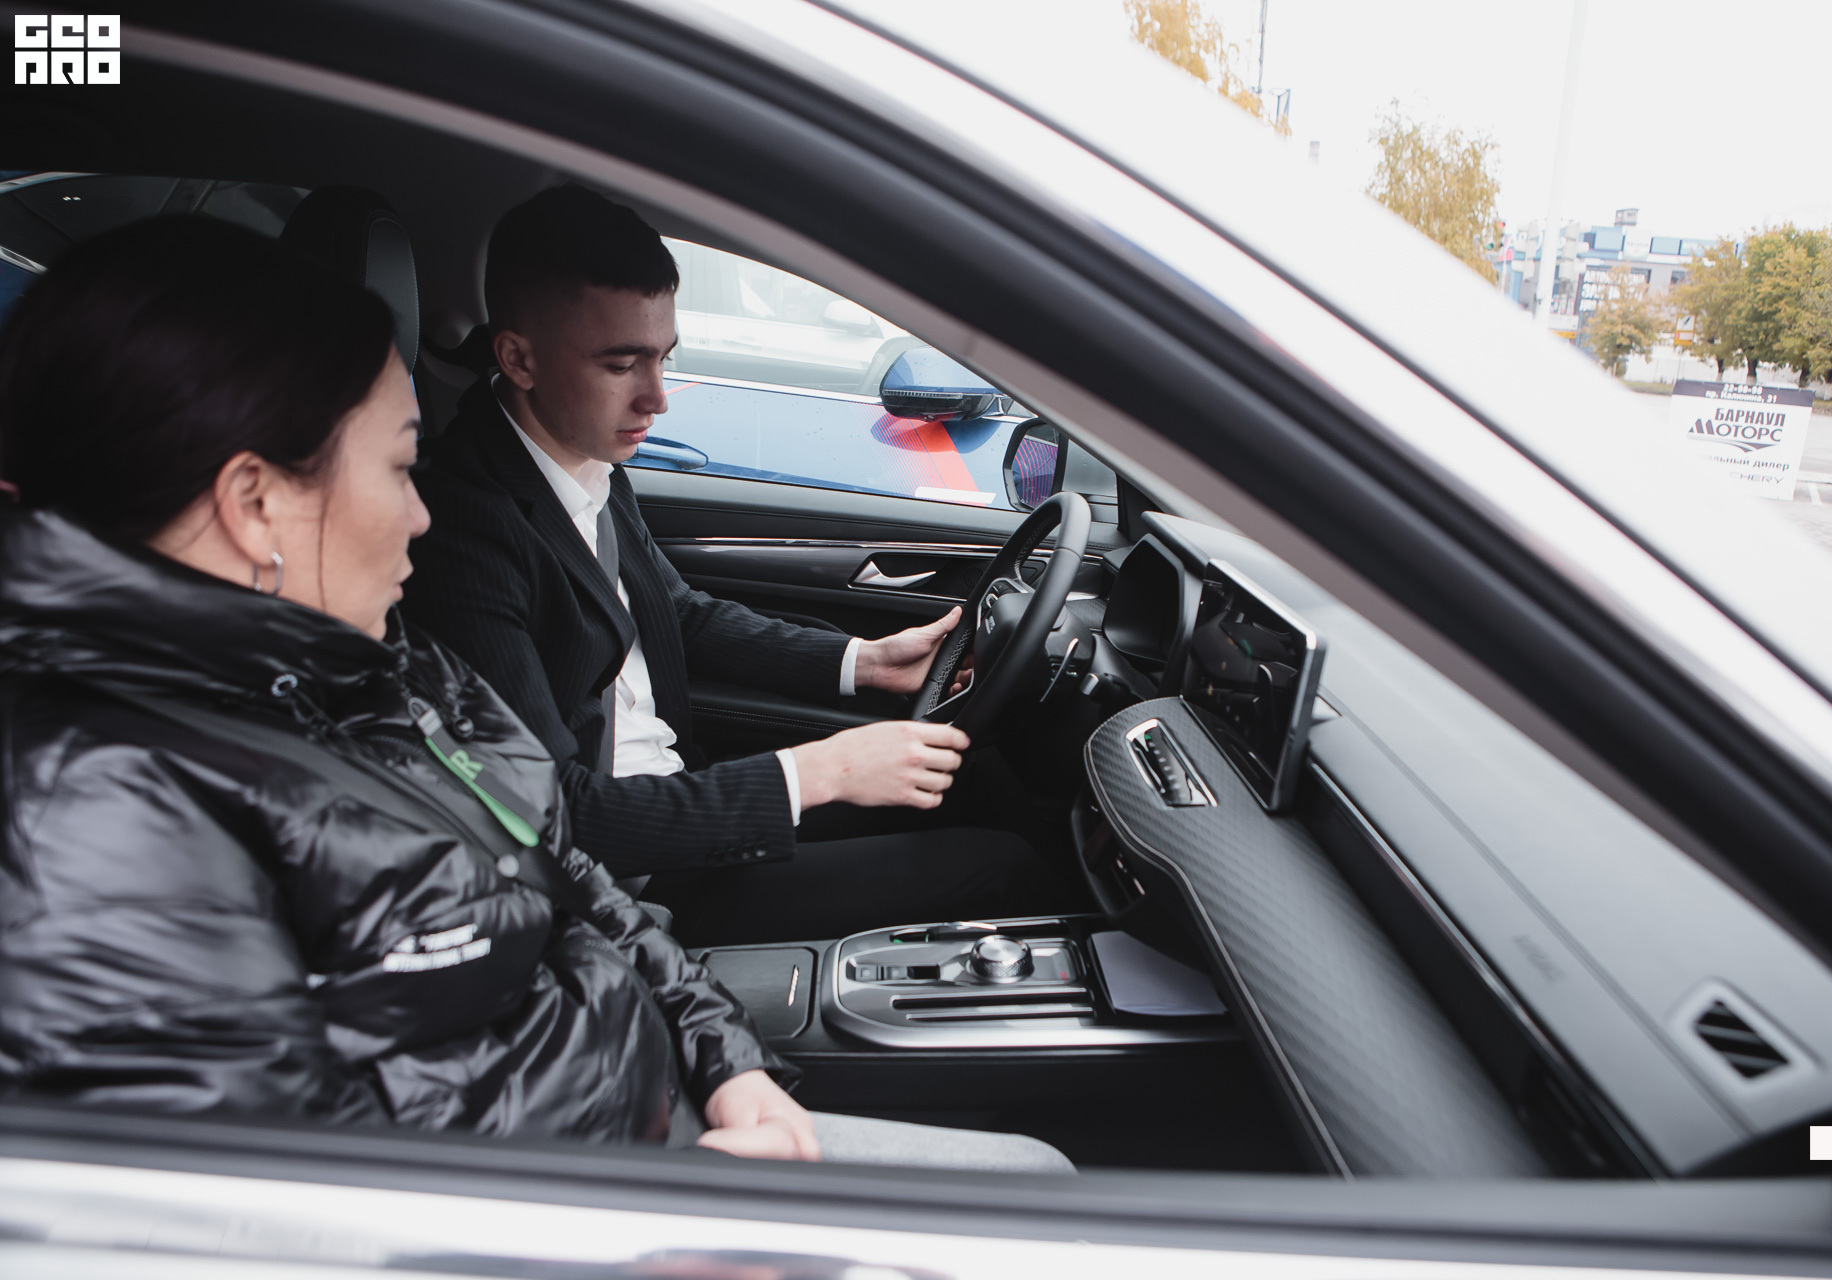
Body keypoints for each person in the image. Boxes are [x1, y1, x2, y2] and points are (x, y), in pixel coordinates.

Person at [0, 215, 1070, 1173]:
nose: (418, 515)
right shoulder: (97, 818)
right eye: (399, 468)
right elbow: (303, 1203)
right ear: (255, 502)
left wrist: (722, 1055)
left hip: (650, 1094)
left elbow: (562, 864)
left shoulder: (378, 667)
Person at [402, 185, 1058, 946]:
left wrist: (866, 662)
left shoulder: (580, 457)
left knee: (969, 780)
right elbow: (557, 816)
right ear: (518, 358)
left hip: (680, 804)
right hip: (624, 884)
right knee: (1003, 868)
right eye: (622, 365)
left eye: (663, 359)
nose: (656, 399)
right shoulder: (460, 533)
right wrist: (824, 772)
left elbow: (679, 616)